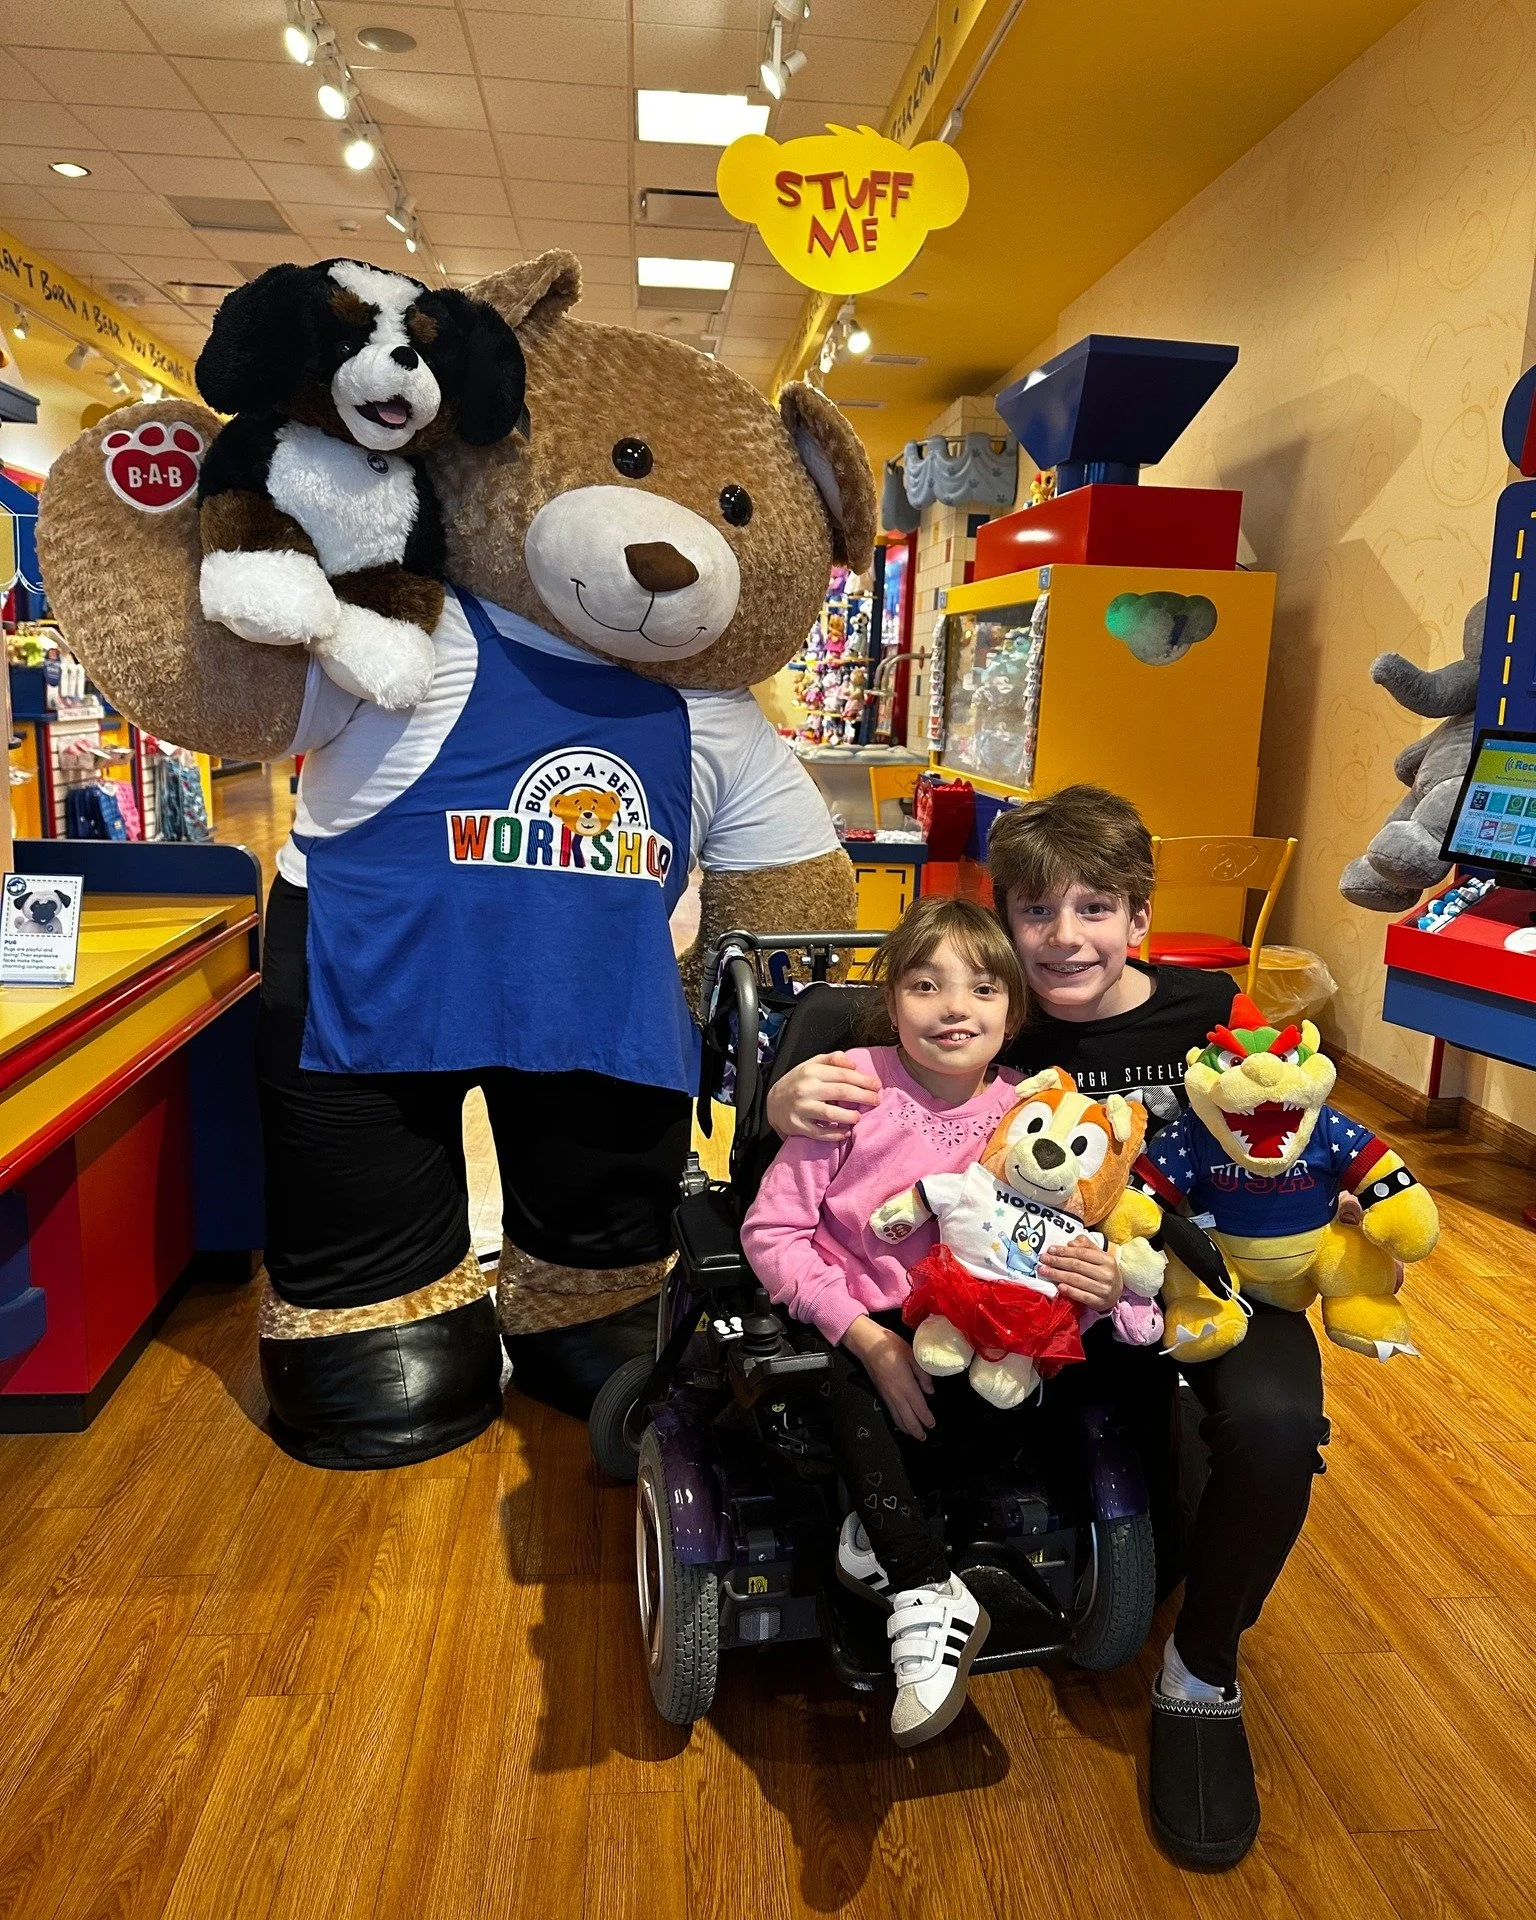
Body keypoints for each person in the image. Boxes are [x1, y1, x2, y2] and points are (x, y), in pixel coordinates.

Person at [766, 787, 1332, 1869]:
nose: (1065, 938)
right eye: (1037, 914)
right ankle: (935, 1538)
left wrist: (1338, 1191)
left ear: (1139, 919)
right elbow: (857, 1064)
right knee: (1110, 1497)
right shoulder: (986, 1019)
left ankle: (1201, 1674)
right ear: (1005, 921)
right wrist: (786, 1094)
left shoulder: (1208, 1010)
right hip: (1040, 1301)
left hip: (1204, 1280)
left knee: (1272, 1427)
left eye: (1095, 909)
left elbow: (1300, 1116)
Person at [741, 895, 1126, 1748]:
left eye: (983, 989)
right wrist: (865, 1333)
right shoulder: (850, 1089)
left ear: (1014, 1010)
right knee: (850, 1387)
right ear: (893, 1000)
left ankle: (876, 1537)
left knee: (1015, 1394)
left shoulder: (1028, 1120)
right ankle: (923, 1587)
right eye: (926, 985)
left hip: (968, 1319)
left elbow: (1057, 1241)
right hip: (848, 1306)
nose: (955, 1009)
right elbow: (771, 1233)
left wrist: (1101, 1294)